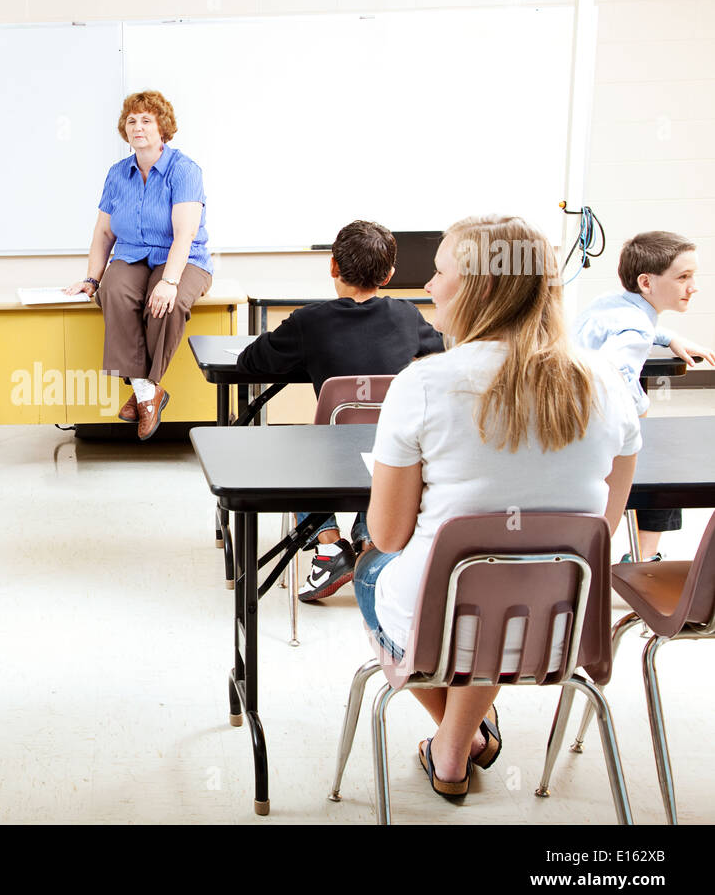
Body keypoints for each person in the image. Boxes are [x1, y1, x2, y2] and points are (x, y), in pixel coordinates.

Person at [357, 215, 639, 798]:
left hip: (445, 630)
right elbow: (604, 527)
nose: (428, 287)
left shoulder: (424, 385)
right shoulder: (608, 383)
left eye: (439, 273)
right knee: (507, 584)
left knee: (372, 571)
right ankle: (454, 751)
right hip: (557, 630)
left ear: (482, 288)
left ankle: (455, 743)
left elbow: (386, 534)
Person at [236, 220, 443, 601]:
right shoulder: (407, 316)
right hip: (388, 460)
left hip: (328, 462)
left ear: (333, 267)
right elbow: (443, 351)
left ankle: (329, 546)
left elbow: (250, 360)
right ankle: (371, 538)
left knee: (295, 444)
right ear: (390, 275)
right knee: (386, 439)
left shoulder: (310, 322)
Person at [63, 90, 212, 440]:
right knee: (112, 291)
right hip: (132, 255)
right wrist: (91, 278)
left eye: (146, 120)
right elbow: (103, 233)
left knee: (165, 304)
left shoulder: (184, 170)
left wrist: (170, 281)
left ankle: (143, 392)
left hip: (183, 257)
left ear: (163, 127)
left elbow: (185, 233)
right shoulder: (117, 174)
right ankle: (149, 393)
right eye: (131, 121)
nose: (138, 127)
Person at [573, 230, 714, 562]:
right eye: (683, 277)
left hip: (578, 426)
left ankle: (643, 555)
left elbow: (629, 323)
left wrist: (669, 337)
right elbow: (610, 379)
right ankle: (643, 561)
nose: (693, 286)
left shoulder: (611, 302)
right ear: (647, 283)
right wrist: (639, 407)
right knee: (669, 465)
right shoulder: (635, 332)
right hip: (599, 437)